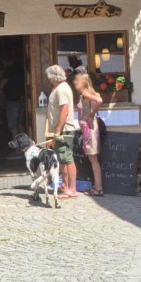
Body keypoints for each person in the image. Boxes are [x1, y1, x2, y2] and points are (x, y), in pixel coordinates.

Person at [45, 64, 77, 199]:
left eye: (49, 77)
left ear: (53, 77)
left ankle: (72, 189)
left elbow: (65, 110)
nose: (49, 80)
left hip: (64, 131)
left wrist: (58, 130)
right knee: (62, 159)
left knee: (67, 159)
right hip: (61, 131)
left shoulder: (61, 89)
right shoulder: (60, 88)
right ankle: (64, 186)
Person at [73, 73, 104, 196]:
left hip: (89, 129)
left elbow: (100, 100)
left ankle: (98, 187)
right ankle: (98, 186)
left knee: (93, 159)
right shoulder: (91, 92)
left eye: (77, 80)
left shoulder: (85, 93)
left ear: (83, 82)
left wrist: (91, 113)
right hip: (90, 127)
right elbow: (98, 96)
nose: (75, 82)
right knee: (93, 159)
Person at [0, 55, 26, 158]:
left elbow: (2, 85)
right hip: (22, 99)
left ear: (7, 60)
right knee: (20, 124)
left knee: (13, 125)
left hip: (12, 101)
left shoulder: (8, 70)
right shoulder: (20, 68)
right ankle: (25, 147)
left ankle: (18, 150)